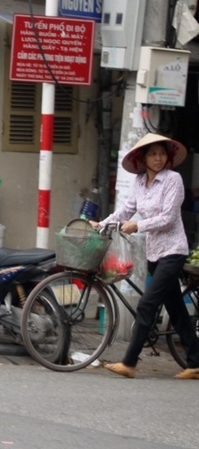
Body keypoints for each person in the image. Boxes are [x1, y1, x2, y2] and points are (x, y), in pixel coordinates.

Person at [91, 133, 199, 379]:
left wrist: (137, 226)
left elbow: (168, 218)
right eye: (153, 154)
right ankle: (195, 363)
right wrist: (102, 224)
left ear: (168, 157)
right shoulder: (140, 182)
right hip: (154, 253)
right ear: (143, 158)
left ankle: (129, 363)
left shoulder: (173, 179)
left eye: (162, 153)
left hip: (173, 251)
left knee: (147, 304)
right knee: (176, 310)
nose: (158, 158)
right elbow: (126, 210)